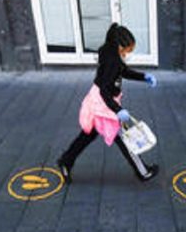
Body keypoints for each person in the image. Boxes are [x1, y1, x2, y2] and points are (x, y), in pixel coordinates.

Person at [57, 24, 159, 183]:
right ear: (120, 46)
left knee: (88, 135)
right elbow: (105, 89)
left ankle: (66, 160)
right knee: (123, 138)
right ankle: (143, 172)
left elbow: (123, 71)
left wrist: (144, 77)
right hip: (104, 104)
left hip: (100, 100)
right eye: (128, 50)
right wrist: (117, 110)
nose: (129, 53)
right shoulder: (113, 60)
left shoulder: (110, 51)